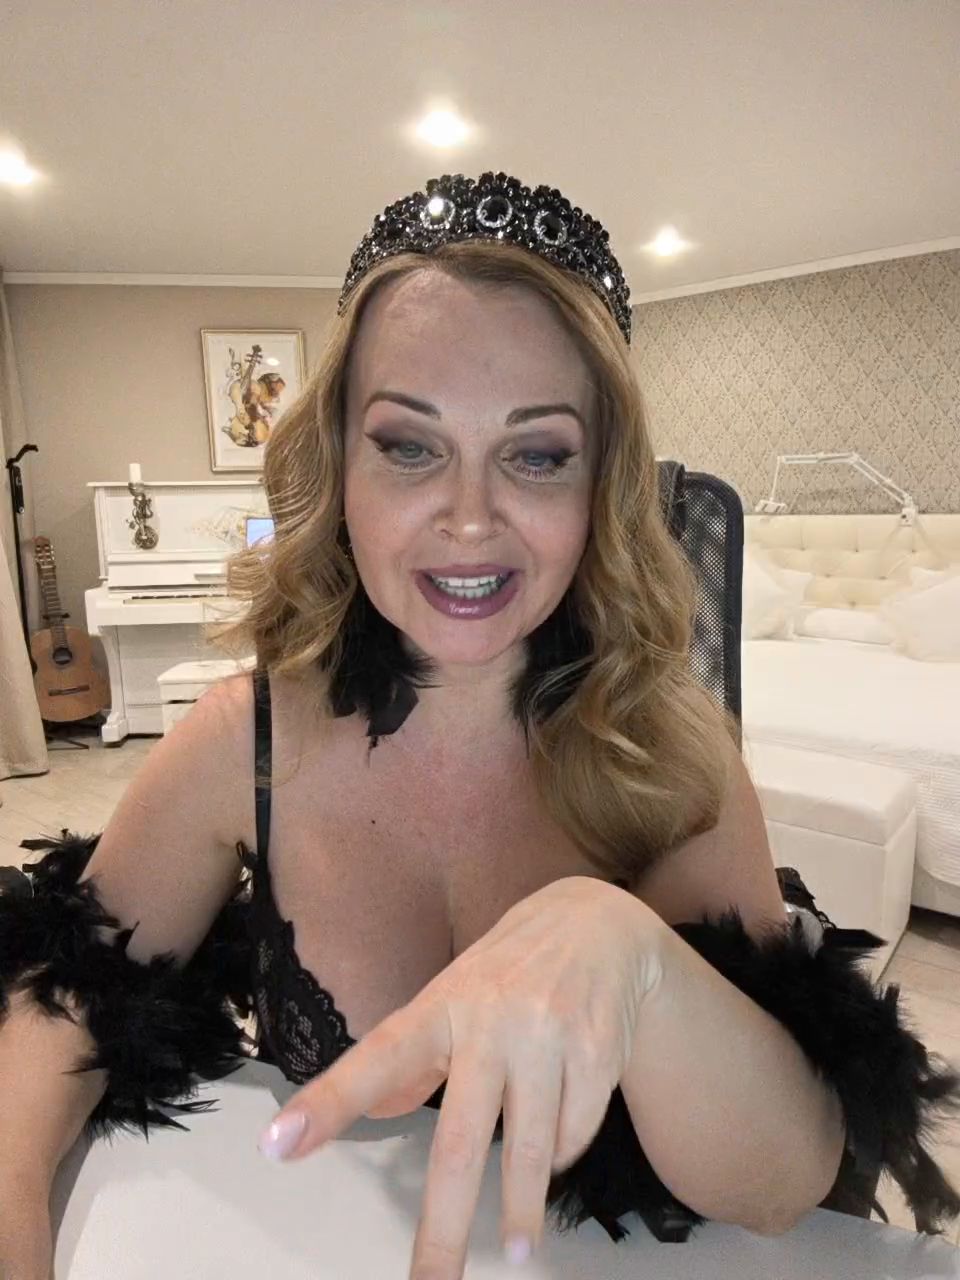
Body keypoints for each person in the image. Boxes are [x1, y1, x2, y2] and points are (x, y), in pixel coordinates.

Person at [1, 172, 957, 1280]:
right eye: (410, 446)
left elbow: (785, 1183)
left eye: (536, 455)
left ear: (598, 486)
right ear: (339, 467)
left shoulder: (673, 761)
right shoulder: (243, 741)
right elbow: (63, 993)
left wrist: (634, 960)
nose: (468, 519)